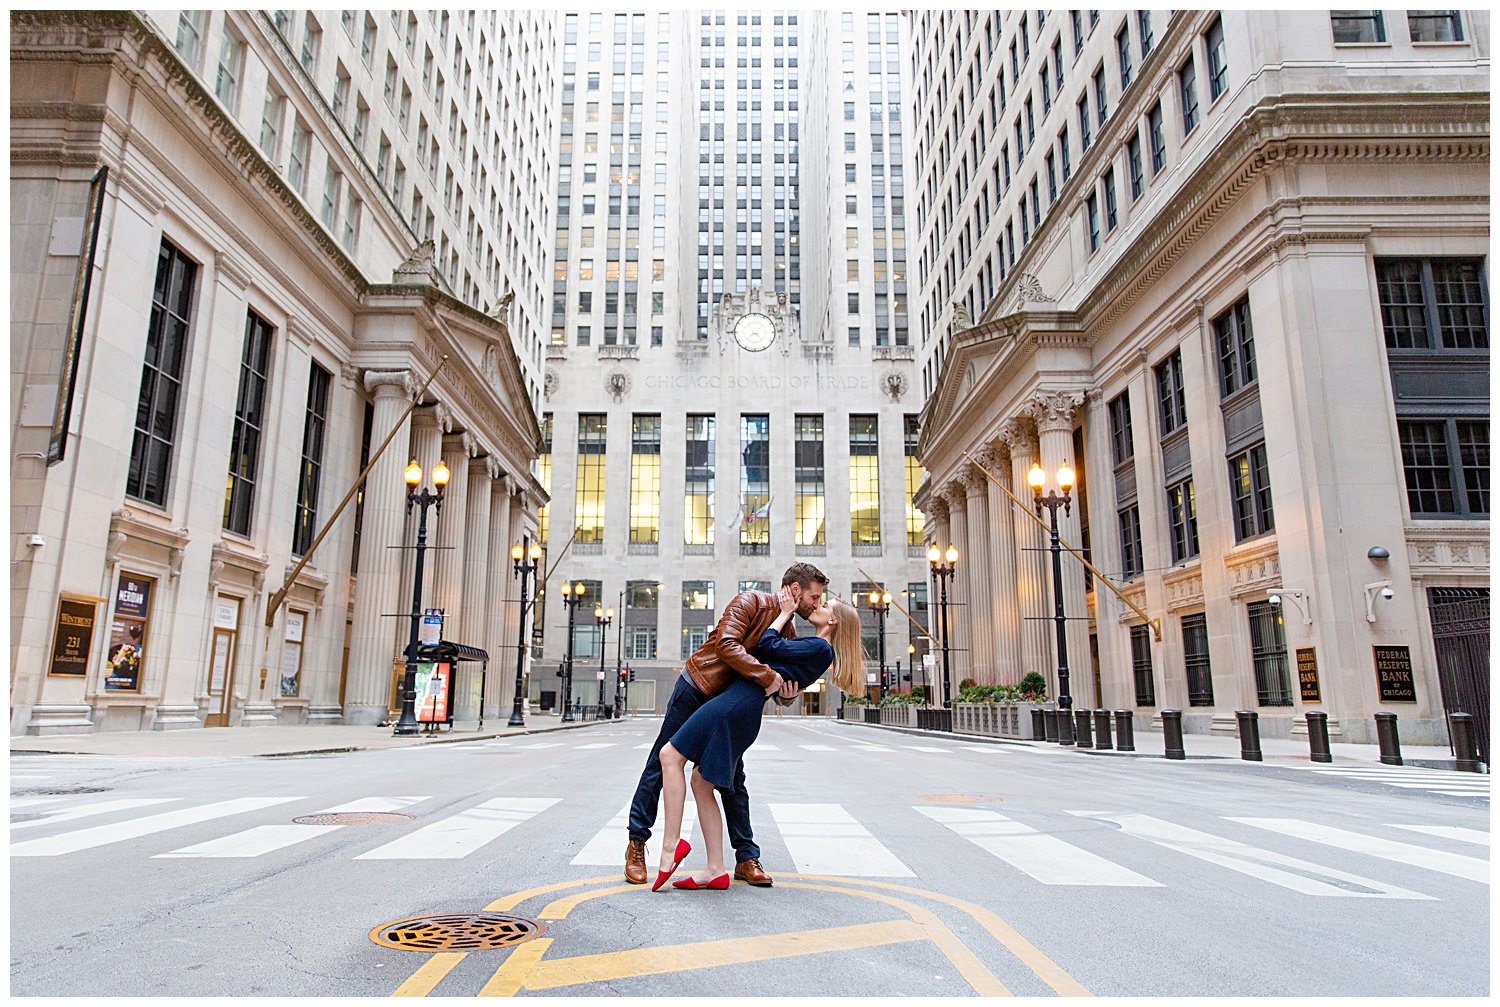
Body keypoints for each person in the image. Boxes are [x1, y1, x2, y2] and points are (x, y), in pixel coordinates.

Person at [623, 563, 829, 887]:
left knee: (733, 777)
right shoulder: (750, 601)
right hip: (698, 687)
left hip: (728, 707)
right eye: (814, 597)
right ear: (794, 590)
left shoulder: (786, 632)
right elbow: (727, 645)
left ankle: (746, 857)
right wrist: (768, 676)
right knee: (661, 762)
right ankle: (637, 844)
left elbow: (777, 685)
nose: (816, 604)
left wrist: (788, 694)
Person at [651, 588, 866, 891]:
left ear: (833, 621)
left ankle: (671, 847)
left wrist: (785, 613)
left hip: (738, 703)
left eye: (823, 604)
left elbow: (766, 644)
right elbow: (779, 675)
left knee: (669, 756)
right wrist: (783, 690)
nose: (817, 605)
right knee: (701, 781)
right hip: (742, 704)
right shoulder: (814, 648)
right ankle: (715, 869)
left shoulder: (820, 649)